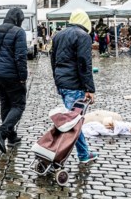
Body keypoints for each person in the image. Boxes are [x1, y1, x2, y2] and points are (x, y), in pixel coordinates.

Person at [50, 8, 98, 164]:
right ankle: (81, 154)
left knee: (72, 121)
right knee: (74, 123)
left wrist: (57, 80)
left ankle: (83, 153)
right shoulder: (83, 36)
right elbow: (84, 64)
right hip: (74, 84)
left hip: (62, 82)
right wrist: (89, 89)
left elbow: (53, 59)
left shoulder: (58, 35)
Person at [0, 8, 28, 154]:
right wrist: (23, 77)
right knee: (18, 105)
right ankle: (2, 132)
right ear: (19, 19)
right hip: (13, 75)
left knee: (5, 104)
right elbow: (20, 56)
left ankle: (12, 137)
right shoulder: (19, 32)